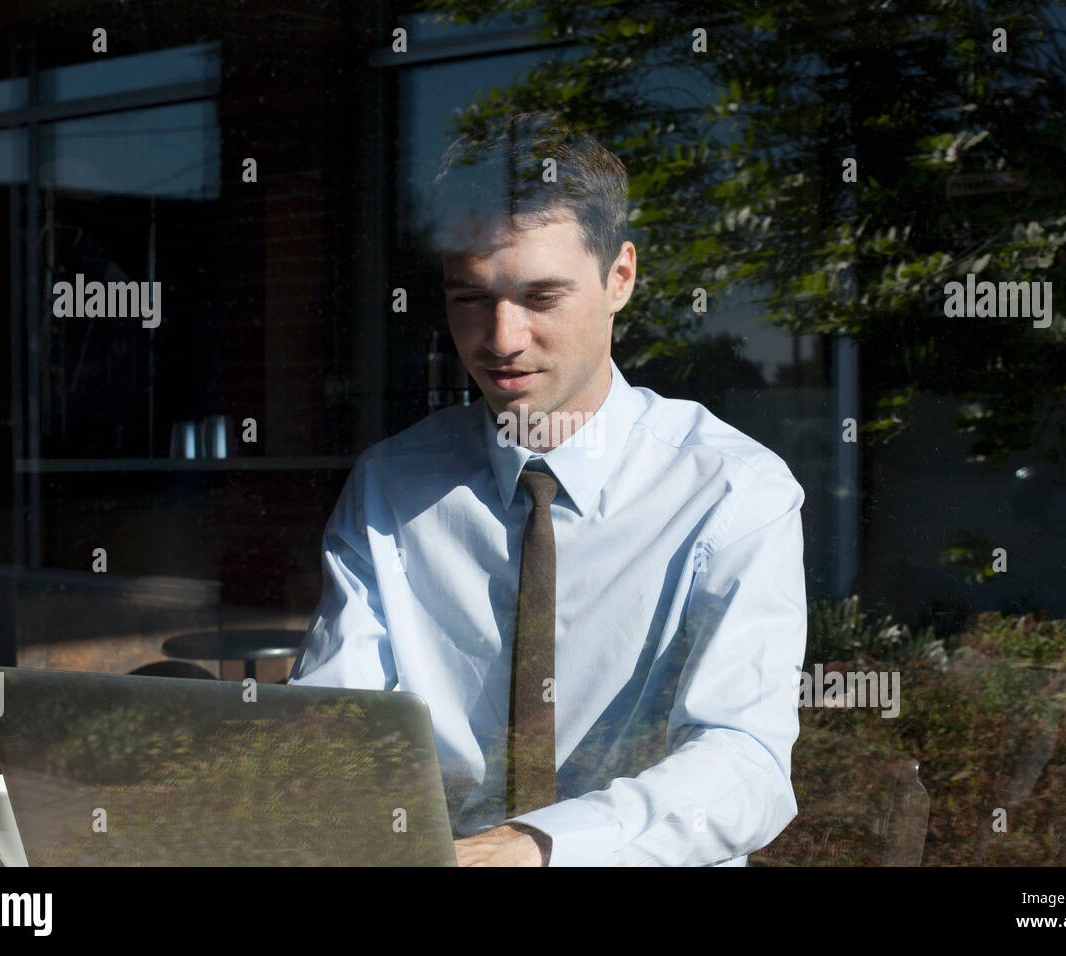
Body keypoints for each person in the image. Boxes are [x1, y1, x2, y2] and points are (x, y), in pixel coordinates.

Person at [289, 111, 807, 866]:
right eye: (470, 298)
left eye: (541, 298)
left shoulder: (732, 492)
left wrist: (538, 846)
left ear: (619, 278)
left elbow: (745, 760)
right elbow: (335, 728)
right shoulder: (392, 486)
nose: (500, 340)